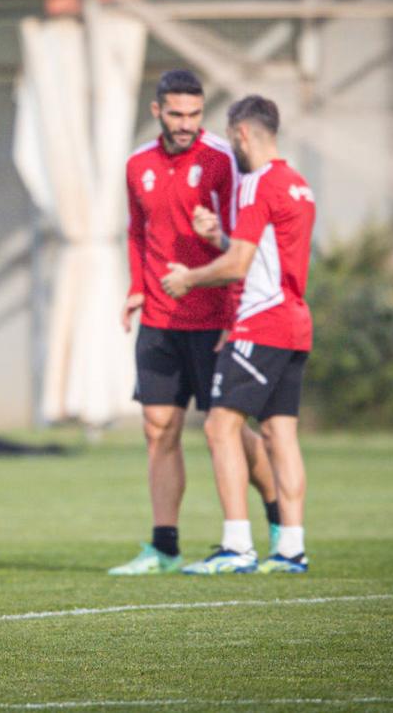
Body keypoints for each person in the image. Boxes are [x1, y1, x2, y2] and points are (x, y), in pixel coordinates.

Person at [111, 70, 281, 577]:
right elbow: (137, 232)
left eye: (194, 114)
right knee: (157, 428)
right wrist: (137, 287)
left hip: (213, 318)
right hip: (160, 320)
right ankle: (165, 546)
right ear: (157, 110)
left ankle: (277, 512)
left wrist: (233, 315)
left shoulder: (222, 160)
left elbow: (241, 242)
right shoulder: (136, 164)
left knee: (227, 429)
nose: (185, 124)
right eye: (176, 113)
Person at [160, 94, 315, 574]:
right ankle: (291, 548)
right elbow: (261, 255)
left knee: (219, 426)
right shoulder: (299, 185)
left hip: (261, 321)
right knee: (279, 432)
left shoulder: (255, 185)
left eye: (232, 137)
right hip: (294, 322)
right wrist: (217, 239)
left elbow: (240, 266)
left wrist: (188, 277)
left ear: (243, 133)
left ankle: (237, 547)